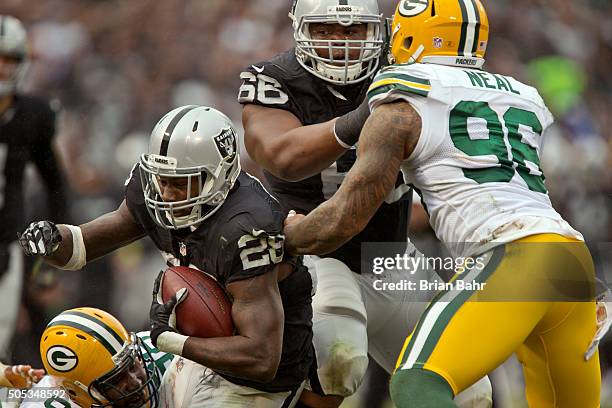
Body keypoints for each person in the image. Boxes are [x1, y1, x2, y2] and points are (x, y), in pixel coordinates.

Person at [283, 0, 601, 407]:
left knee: (418, 382)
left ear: (410, 34)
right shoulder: (521, 96)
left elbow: (345, 219)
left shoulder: (403, 97)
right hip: (570, 258)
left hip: (511, 257)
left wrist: (291, 234)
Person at [239, 1, 490, 407]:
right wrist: (365, 116)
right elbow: (282, 155)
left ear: (379, 31)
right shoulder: (275, 79)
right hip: (316, 254)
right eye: (326, 31)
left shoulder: (405, 71)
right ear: (301, 30)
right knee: (338, 359)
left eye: (354, 30)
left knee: (469, 391)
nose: (341, 42)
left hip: (391, 256)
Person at [18, 105, 314, 407]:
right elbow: (82, 247)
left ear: (220, 173)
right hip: (192, 348)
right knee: (82, 377)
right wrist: (54, 241)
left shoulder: (247, 226)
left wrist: (172, 340)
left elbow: (262, 359)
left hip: (250, 380)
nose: (168, 193)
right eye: (163, 179)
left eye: (182, 182)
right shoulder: (154, 188)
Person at [0, 14, 66, 358]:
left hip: (6, 241)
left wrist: (55, 251)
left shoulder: (33, 116)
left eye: (8, 59)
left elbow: (56, 185)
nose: (1, 68)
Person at [20, 307, 171, 408]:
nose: (135, 382)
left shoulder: (160, 354)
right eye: (116, 380)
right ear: (76, 392)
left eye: (131, 365)